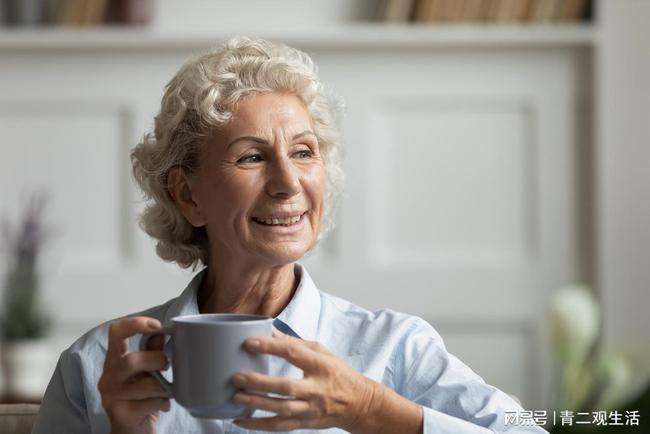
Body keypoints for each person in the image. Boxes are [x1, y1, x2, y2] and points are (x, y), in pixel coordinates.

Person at [32, 37, 548, 434]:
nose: (287, 183)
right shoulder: (100, 364)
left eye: (304, 152)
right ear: (189, 196)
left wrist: (371, 409)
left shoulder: (395, 347)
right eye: (253, 156)